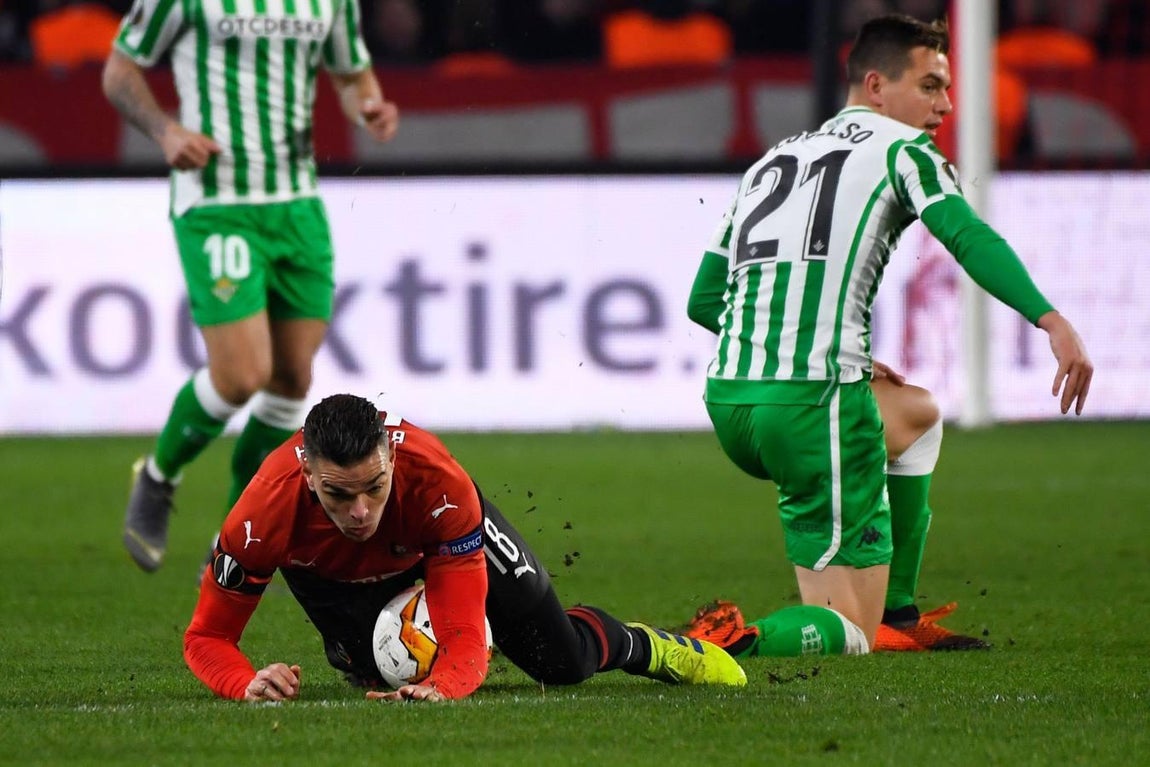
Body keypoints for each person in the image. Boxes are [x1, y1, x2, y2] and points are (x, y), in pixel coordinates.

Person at [681, 13, 1092, 657]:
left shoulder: (773, 160)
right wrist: (1051, 319)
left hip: (732, 402)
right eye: (930, 86)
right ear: (876, 86)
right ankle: (734, 639)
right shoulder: (905, 153)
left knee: (917, 414)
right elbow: (967, 236)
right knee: (849, 631)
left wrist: (835, 350)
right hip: (815, 410)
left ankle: (900, 611)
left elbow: (705, 301)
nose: (946, 105)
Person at [184, 393, 746, 702]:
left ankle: (642, 644)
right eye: (338, 493)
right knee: (379, 672)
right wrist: (245, 682)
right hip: (331, 572)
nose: (360, 511)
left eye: (374, 488)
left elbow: (461, 633)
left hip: (435, 541)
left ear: (393, 461)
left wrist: (445, 687)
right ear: (307, 474)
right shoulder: (261, 514)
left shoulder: (440, 486)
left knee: (562, 663)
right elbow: (208, 637)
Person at [102, 3, 400, 573]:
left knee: (292, 377)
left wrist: (368, 108)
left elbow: (350, 71)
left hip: (297, 206)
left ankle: (233, 532)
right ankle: (159, 476)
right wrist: (166, 131)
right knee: (241, 375)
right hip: (219, 202)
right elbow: (119, 71)